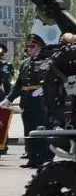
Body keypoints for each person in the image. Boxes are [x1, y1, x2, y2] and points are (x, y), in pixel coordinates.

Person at [0, 34, 52, 168]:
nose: (29, 49)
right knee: (28, 130)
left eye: (32, 46)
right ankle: (32, 158)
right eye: (28, 46)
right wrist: (8, 99)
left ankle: (43, 158)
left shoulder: (47, 62)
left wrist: (40, 91)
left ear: (40, 47)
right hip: (27, 101)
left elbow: (51, 82)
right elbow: (18, 85)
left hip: (41, 102)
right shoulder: (25, 63)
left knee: (40, 130)